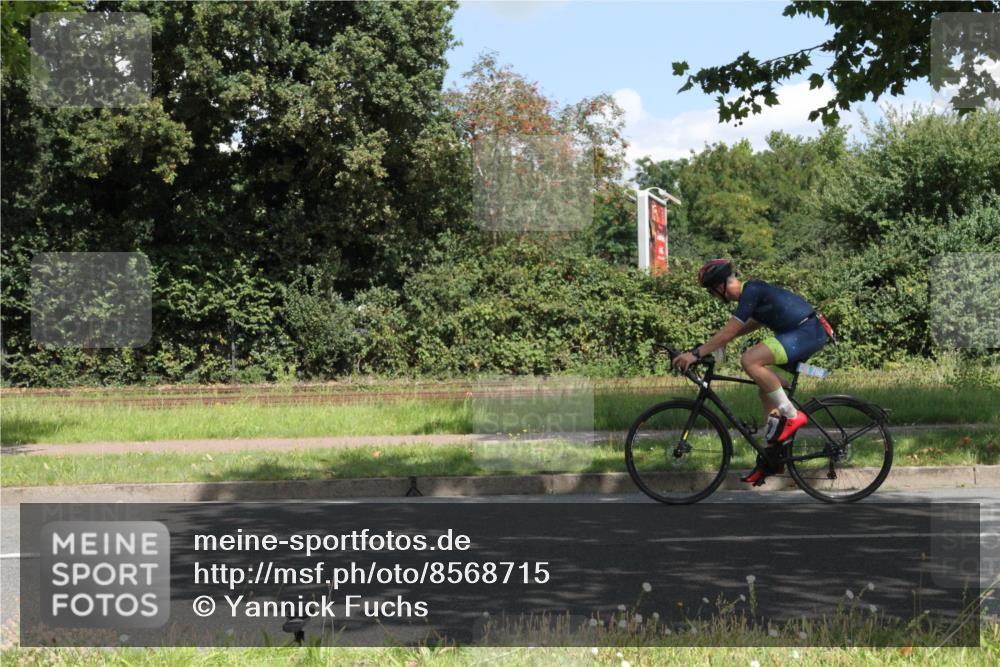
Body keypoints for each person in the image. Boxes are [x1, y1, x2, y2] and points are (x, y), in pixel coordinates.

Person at [672, 259, 832, 485]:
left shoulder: (752, 290)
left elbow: (729, 331)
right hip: (802, 334)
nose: (713, 296)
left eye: (711, 291)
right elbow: (751, 325)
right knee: (766, 392)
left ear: (720, 286)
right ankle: (772, 461)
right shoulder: (753, 293)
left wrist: (696, 354)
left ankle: (793, 416)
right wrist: (718, 343)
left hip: (806, 333)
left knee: (749, 359)